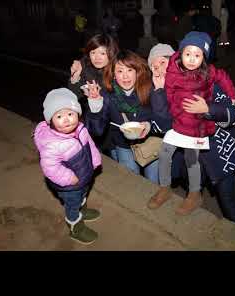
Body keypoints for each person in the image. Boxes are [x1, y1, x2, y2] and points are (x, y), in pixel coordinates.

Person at [147, 31, 235, 215]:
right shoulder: (168, 78)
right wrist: (159, 92)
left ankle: (194, 195)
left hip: (212, 145)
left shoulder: (208, 75)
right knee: (164, 153)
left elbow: (233, 114)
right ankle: (165, 188)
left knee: (225, 196)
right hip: (179, 126)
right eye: (154, 67)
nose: (159, 69)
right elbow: (162, 119)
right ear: (180, 55)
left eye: (197, 55)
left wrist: (213, 107)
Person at [84, 50, 170, 184]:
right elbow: (97, 131)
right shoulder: (107, 94)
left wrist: (149, 126)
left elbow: (165, 124)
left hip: (150, 143)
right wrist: (95, 105)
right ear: (113, 75)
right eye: (120, 71)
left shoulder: (150, 88)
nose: (125, 76)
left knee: (153, 182)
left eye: (129, 70)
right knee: (131, 181)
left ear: (137, 71)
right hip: (122, 145)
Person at [34, 88, 102, 245]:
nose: (66, 119)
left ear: (77, 114)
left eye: (70, 114)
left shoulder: (80, 128)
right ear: (50, 120)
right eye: (59, 116)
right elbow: (49, 167)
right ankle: (76, 228)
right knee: (72, 205)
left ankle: (82, 210)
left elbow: (89, 145)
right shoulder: (52, 144)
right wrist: (69, 178)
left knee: (83, 193)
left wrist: (95, 159)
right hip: (69, 185)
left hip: (84, 176)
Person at [68, 33, 119, 156]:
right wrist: (75, 76)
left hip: (116, 126)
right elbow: (72, 97)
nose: (97, 57)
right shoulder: (85, 68)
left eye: (102, 53)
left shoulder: (119, 69)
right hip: (94, 124)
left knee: (121, 162)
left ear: (111, 53)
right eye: (93, 53)